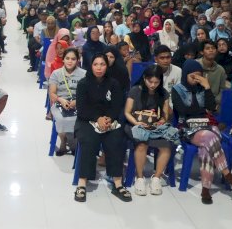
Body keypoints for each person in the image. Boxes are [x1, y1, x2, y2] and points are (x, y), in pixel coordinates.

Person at [171, 60, 232, 204]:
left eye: (199, 76)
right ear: (186, 74)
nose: (196, 79)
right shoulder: (177, 89)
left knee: (206, 147)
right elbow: (183, 111)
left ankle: (206, 189)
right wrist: (201, 111)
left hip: (207, 126)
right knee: (211, 137)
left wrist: (207, 88)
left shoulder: (202, 88)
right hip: (188, 128)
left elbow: (212, 107)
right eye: (192, 76)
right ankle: (227, 174)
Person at [74, 53, 128, 203]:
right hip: (86, 120)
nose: (99, 68)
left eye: (102, 64)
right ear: (90, 66)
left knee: (116, 140)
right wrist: (97, 118)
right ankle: (82, 183)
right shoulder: (83, 83)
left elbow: (117, 105)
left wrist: (108, 118)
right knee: (89, 140)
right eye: (95, 64)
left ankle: (117, 183)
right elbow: (81, 109)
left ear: (107, 66)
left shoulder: (113, 84)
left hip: (109, 120)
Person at [124, 65, 177, 196]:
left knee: (165, 146)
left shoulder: (163, 93)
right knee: (141, 143)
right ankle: (140, 177)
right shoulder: (135, 90)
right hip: (135, 124)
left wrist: (161, 122)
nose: (153, 85)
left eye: (156, 82)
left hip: (154, 127)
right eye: (150, 81)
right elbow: (127, 112)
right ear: (144, 79)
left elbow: (164, 115)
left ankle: (157, 177)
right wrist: (137, 123)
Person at [48, 48, 85, 155]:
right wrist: (61, 100)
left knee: (80, 118)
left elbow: (87, 94)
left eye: (73, 59)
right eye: (67, 58)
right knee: (61, 119)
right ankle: (63, 141)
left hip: (79, 102)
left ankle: (74, 142)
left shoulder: (84, 74)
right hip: (60, 102)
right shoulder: (56, 73)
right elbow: (52, 94)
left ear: (78, 60)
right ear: (63, 59)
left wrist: (77, 101)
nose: (70, 61)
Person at [196, 40, 227, 106]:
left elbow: (222, 90)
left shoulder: (220, 70)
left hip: (214, 104)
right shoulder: (195, 66)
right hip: (197, 104)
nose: (211, 50)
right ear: (202, 52)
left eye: (213, 48)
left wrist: (214, 102)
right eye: (207, 48)